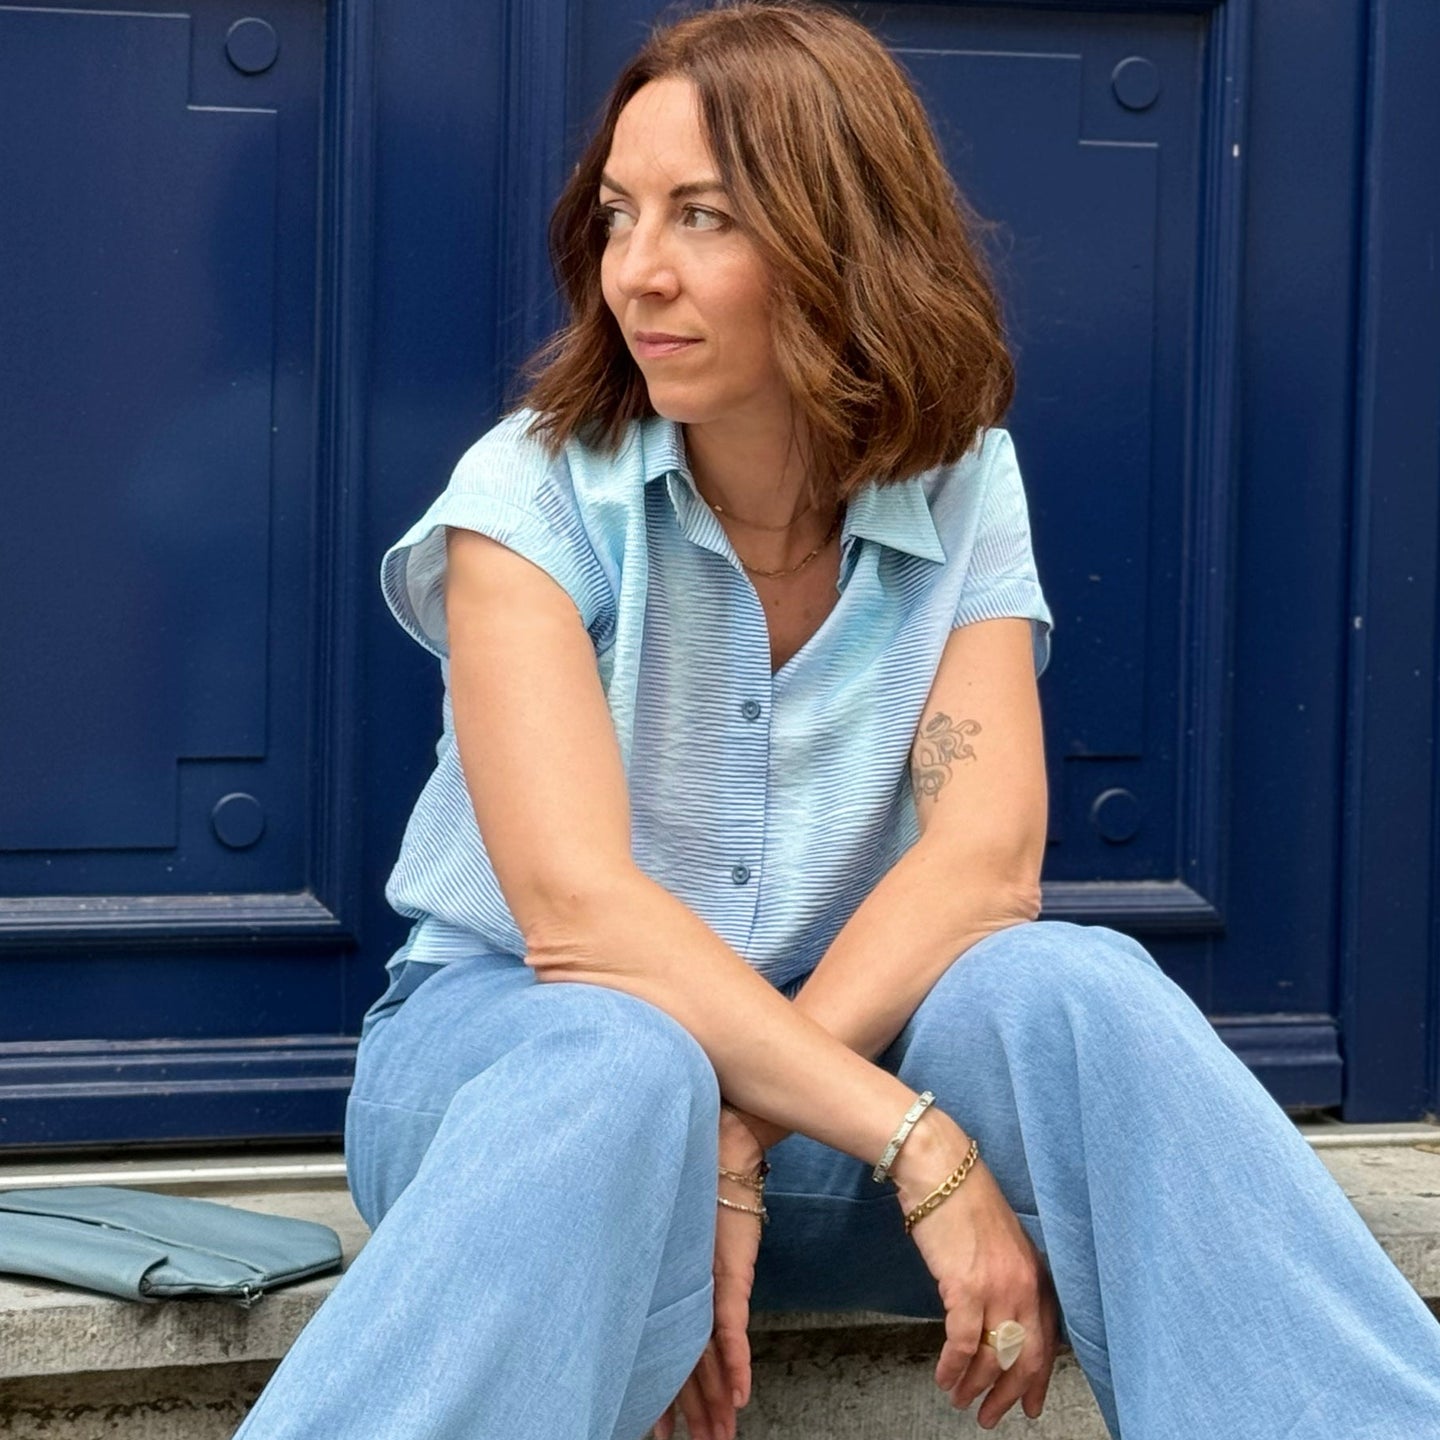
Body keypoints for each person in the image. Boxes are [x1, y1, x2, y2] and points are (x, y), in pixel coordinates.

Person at [233, 4, 1440, 1437]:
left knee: (1077, 988)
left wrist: (745, 1138)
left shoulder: (962, 482)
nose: (639, 274)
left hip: (818, 1137)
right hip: (532, 1103)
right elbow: (581, 923)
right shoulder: (530, 493)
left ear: (835, 238)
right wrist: (911, 1138)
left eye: (704, 218)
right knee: (628, 1059)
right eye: (619, 217)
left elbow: (985, 866)